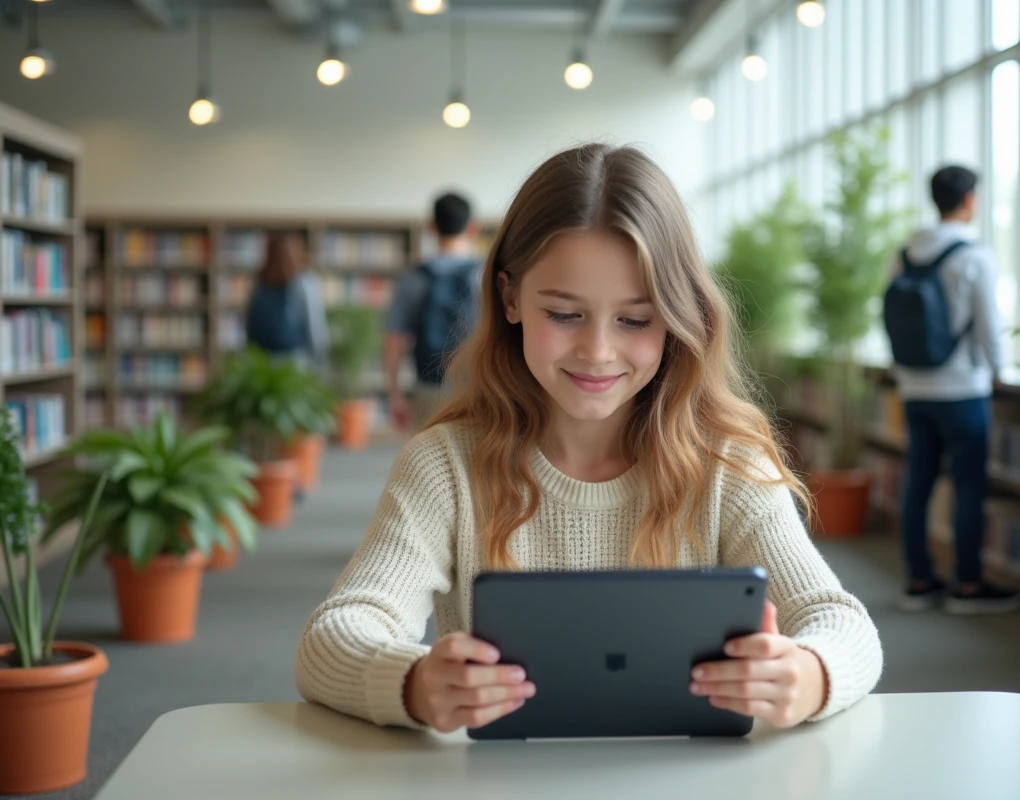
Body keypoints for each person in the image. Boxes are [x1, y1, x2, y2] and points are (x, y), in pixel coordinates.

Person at [295, 143, 882, 734]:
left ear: (679, 316)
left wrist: (808, 676)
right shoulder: (445, 465)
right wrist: (414, 683)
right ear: (509, 298)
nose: (598, 351)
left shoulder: (725, 462)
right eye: (565, 314)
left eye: (635, 319)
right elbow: (333, 636)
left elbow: (840, 622)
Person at [887, 165, 1018, 614]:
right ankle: (967, 585)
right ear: (969, 201)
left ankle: (919, 581)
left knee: (917, 483)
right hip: (963, 388)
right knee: (967, 487)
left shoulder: (904, 252)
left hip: (913, 387)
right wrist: (999, 370)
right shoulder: (974, 255)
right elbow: (989, 326)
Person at [384, 192, 481, 431]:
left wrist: (395, 395)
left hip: (428, 384)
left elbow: (395, 341)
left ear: (431, 227)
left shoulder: (414, 277)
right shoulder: (487, 274)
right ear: (472, 228)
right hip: (478, 386)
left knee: (427, 462)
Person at [245, 232, 328, 368]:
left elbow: (249, 325)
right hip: (295, 363)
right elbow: (315, 326)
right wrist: (319, 361)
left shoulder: (260, 283)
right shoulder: (304, 282)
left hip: (261, 363)